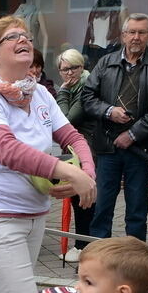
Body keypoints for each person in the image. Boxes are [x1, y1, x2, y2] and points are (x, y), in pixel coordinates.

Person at [0, 15, 96, 293]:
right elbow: (7, 150)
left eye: (26, 36)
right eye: (12, 37)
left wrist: (87, 172)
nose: (23, 39)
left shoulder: (39, 93)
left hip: (35, 217)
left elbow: (72, 136)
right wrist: (67, 171)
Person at [81, 12, 148, 241]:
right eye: (131, 32)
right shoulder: (105, 62)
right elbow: (87, 97)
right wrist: (109, 111)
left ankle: (135, 259)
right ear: (123, 35)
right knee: (102, 208)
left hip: (139, 149)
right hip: (107, 146)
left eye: (141, 32)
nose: (136, 37)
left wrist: (132, 134)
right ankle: (100, 257)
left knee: (137, 211)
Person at [55, 48, 95, 262]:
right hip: (73, 150)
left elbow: (67, 118)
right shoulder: (73, 87)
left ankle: (83, 244)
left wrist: (62, 92)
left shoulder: (86, 86)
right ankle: (81, 242)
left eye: (73, 68)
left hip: (88, 148)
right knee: (75, 197)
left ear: (82, 67)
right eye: (64, 69)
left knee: (85, 198)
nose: (69, 73)